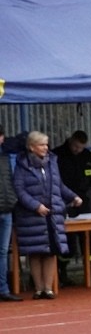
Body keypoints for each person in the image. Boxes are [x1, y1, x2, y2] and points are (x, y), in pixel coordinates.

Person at [13, 131, 82, 300]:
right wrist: (36, 206)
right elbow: (19, 190)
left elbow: (59, 185)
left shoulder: (52, 162)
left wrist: (73, 196)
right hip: (31, 216)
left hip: (53, 214)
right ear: (31, 147)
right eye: (41, 144)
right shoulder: (22, 165)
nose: (45, 148)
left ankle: (48, 288)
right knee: (35, 253)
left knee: (52, 251)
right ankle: (38, 289)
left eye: (46, 144)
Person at [53, 131, 91, 285]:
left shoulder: (88, 156)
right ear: (71, 141)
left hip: (84, 202)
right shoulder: (58, 155)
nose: (77, 150)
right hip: (65, 203)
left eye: (81, 147)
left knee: (90, 239)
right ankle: (62, 273)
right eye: (75, 146)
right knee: (68, 241)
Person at [0, 126, 21, 301]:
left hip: (6, 208)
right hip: (6, 206)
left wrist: (12, 199)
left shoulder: (7, 155)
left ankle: (3, 289)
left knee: (3, 251)